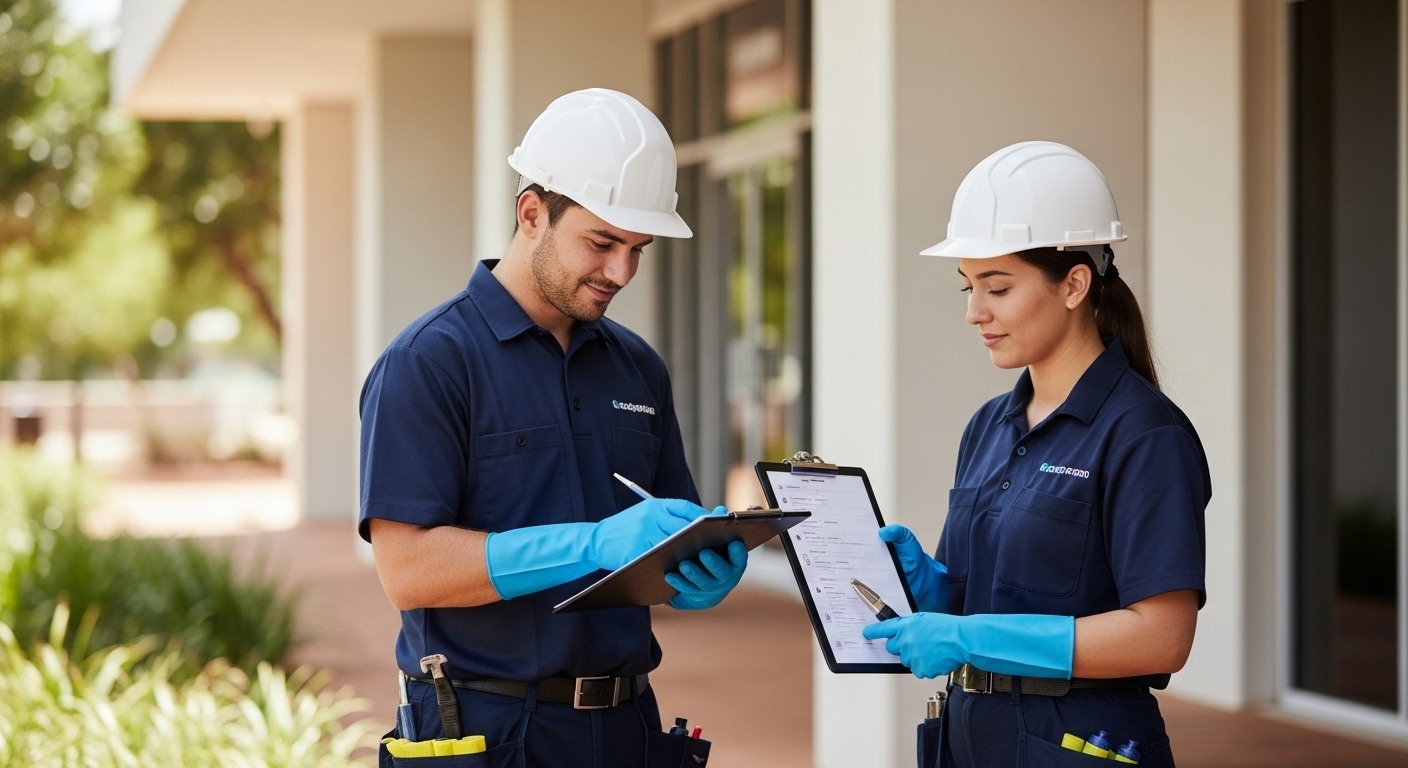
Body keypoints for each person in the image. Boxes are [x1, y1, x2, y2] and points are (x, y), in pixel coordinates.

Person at [358, 87, 749, 767]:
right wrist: (592, 543)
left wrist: (698, 571)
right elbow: (408, 570)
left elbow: (658, 542)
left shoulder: (639, 370)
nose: (621, 272)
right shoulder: (428, 363)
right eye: (601, 243)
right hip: (485, 730)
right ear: (532, 213)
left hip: (629, 728)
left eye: (638, 249)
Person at [862, 141, 1210, 767]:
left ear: (1074, 283)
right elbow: (984, 602)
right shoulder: (989, 426)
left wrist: (966, 635)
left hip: (1077, 743)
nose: (974, 312)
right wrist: (931, 589)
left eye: (997, 287)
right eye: (967, 286)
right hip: (969, 736)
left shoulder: (1143, 435)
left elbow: (1162, 638)